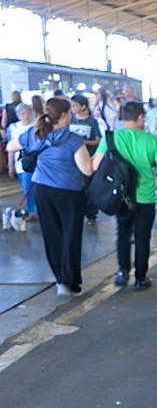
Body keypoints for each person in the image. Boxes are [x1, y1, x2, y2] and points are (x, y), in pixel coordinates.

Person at [6, 98, 94, 295]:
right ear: (64, 115)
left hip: (43, 191)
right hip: (70, 192)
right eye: (69, 112)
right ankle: (71, 281)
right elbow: (87, 170)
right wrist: (100, 155)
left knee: (52, 236)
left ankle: (60, 281)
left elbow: (11, 147)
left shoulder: (35, 133)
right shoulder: (73, 139)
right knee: (70, 236)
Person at [93, 101, 157, 290]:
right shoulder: (152, 140)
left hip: (121, 197)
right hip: (145, 197)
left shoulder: (111, 137)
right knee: (143, 237)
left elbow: (95, 166)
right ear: (141, 118)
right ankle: (141, 278)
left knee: (123, 234)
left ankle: (122, 272)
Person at [70, 94, 103, 225]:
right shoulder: (70, 120)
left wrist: (84, 142)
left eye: (75, 105)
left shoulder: (92, 122)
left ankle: (91, 214)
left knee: (89, 187)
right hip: (72, 161)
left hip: (88, 159)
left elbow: (98, 140)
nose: (73, 108)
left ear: (83, 106)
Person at [5, 103, 38, 218]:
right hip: (21, 162)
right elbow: (10, 148)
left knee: (36, 187)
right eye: (23, 113)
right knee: (26, 187)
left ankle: (36, 211)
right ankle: (31, 210)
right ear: (18, 115)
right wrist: (10, 165)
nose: (26, 116)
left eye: (28, 113)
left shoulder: (37, 125)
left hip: (36, 161)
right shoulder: (14, 127)